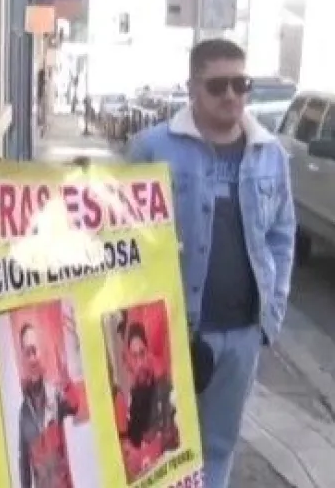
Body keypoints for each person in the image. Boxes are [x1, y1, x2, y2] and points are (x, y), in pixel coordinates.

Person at [126, 38, 296, 488]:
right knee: (156, 447)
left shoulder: (269, 154)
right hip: (171, 330)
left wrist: (270, 315)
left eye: (241, 84)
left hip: (241, 332)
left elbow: (282, 235)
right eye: (218, 85)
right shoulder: (151, 148)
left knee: (218, 446)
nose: (231, 96)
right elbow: (122, 241)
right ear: (192, 89)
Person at [16, 323, 77, 488]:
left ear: (41, 353)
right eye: (27, 352)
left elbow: (74, 406)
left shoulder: (55, 395)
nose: (32, 358)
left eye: (35, 350)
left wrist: (68, 384)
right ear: (23, 359)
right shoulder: (23, 414)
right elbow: (24, 466)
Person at [119, 322, 178, 481]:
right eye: (134, 355)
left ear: (148, 352)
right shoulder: (133, 392)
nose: (139, 362)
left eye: (142, 353)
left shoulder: (164, 388)